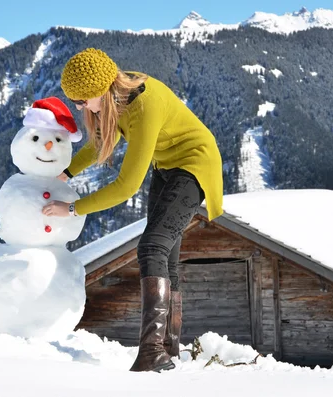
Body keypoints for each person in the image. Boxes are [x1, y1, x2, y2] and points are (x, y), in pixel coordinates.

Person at [42, 48, 224, 372]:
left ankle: (151, 353)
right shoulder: (117, 100)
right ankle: (168, 349)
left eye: (83, 101)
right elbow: (97, 144)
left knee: (152, 246)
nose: (80, 107)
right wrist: (65, 173)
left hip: (195, 163)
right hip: (167, 166)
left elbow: (126, 187)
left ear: (100, 90)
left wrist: (72, 209)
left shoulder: (143, 105)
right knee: (164, 255)